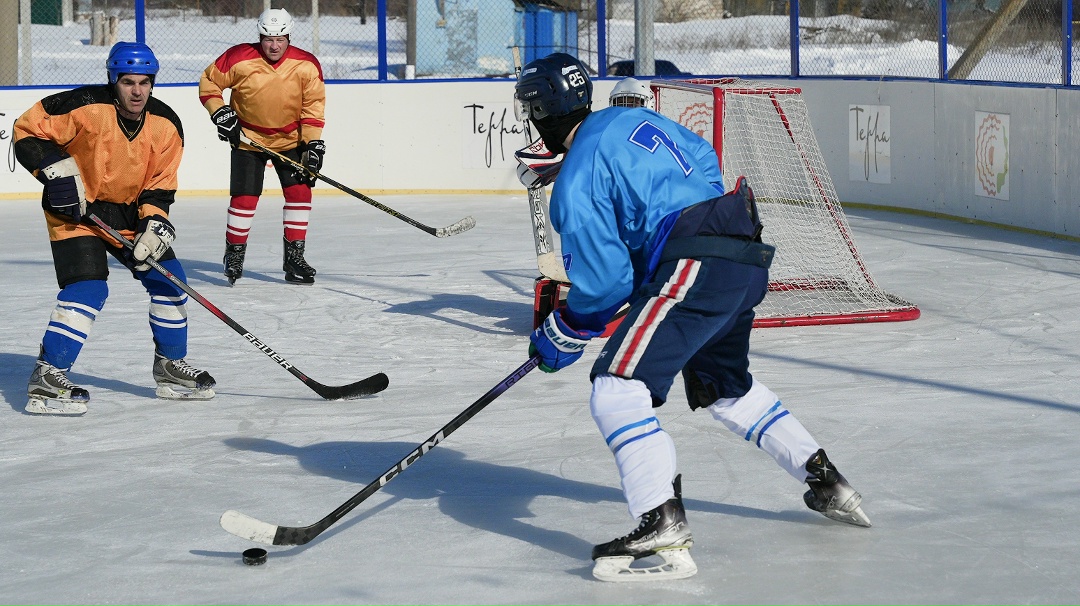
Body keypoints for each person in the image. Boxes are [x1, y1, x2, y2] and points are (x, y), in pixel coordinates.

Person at [514, 53, 870, 582]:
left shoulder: (576, 175)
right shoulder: (636, 119)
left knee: (617, 386)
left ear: (544, 111)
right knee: (725, 386)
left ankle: (660, 519)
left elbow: (604, 284)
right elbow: (704, 166)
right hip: (740, 255)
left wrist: (565, 330)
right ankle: (826, 479)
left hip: (695, 265)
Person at [13, 41, 216, 416]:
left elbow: (161, 184)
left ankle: (170, 367)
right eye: (128, 82)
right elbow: (26, 130)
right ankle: (48, 374)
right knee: (88, 288)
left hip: (126, 215)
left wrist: (154, 223)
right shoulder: (84, 106)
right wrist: (55, 171)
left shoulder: (167, 125)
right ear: (114, 81)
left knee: (171, 281)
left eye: (145, 82)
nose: (137, 91)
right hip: (75, 210)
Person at [199, 7, 326, 285]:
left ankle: (294, 260)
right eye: (268, 38)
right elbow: (209, 82)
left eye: (280, 39)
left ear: (289, 37)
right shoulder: (239, 58)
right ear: (260, 36)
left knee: (300, 195)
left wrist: (312, 144)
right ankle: (234, 255)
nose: (274, 45)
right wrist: (220, 112)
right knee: (244, 200)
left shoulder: (306, 65)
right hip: (248, 141)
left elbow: (313, 108)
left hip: (291, 141)